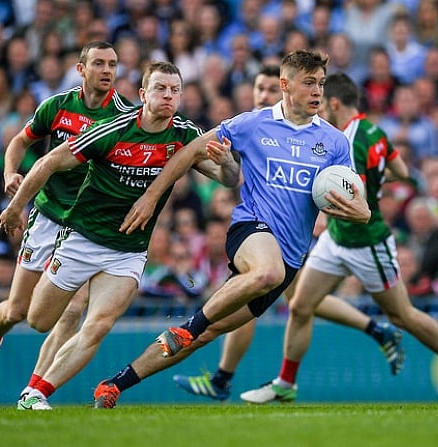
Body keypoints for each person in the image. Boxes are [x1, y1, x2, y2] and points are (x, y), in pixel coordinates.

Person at [92, 50, 375, 409]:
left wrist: (361, 212)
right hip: (250, 230)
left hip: (289, 259)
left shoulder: (335, 142)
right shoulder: (252, 124)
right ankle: (188, 327)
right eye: (309, 83)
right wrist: (151, 197)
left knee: (209, 333)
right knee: (262, 274)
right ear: (286, 86)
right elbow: (190, 151)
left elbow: (354, 196)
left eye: (320, 83)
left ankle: (115, 385)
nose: (317, 91)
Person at [1, 60, 238, 410]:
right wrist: (15, 206)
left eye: (175, 90)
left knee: (97, 326)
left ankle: (35, 393)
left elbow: (228, 179)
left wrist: (229, 162)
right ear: (143, 94)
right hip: (82, 238)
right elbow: (49, 162)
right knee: (38, 321)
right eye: (160, 88)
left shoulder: (185, 135)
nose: (168, 95)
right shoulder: (113, 129)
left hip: (128, 250)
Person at [238, 73, 438, 406]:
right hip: (337, 240)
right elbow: (403, 172)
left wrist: (322, 207)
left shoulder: (348, 140)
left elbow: (355, 199)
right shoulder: (376, 131)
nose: (319, 108)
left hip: (368, 242)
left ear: (335, 103)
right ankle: (286, 382)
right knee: (301, 305)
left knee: (402, 315)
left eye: (322, 102)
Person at [172, 68, 404, 401]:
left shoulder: (314, 133)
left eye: (269, 88)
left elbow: (326, 182)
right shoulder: (254, 125)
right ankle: (373, 332)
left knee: (286, 300)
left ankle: (226, 379)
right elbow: (231, 171)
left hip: (287, 238)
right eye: (259, 87)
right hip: (263, 231)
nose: (263, 94)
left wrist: (330, 211)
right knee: (298, 303)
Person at [0, 41, 132, 394]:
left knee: (74, 309)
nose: (107, 71)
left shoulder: (123, 114)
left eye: (113, 65)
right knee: (16, 312)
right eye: (99, 63)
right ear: (81, 69)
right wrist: (10, 173)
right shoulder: (57, 107)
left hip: (87, 224)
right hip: (47, 216)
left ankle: (33, 393)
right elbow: (18, 142)